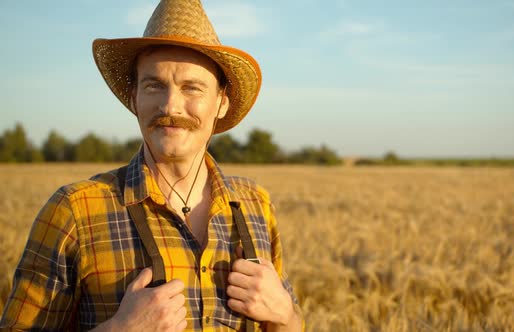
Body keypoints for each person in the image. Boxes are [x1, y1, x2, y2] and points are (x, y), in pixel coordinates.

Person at [0, 0, 303, 331]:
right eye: (154, 85)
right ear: (134, 98)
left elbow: (292, 323)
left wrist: (286, 315)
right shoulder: (74, 211)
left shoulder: (256, 205)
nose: (170, 104)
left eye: (192, 88)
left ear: (221, 102)